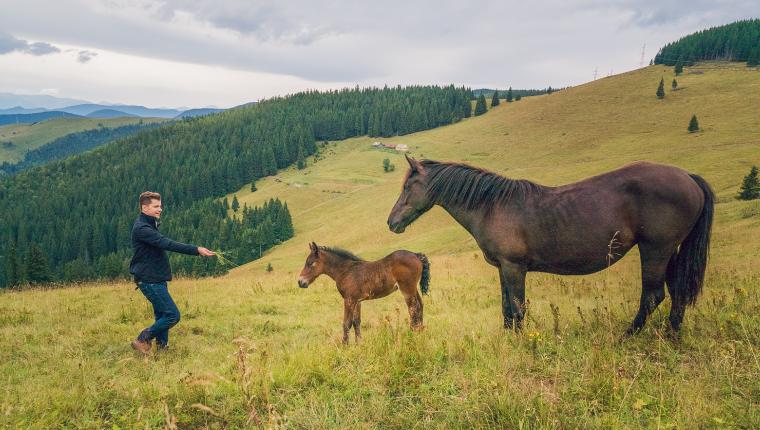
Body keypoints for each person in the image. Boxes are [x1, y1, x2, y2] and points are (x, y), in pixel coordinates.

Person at [129, 191, 215, 354]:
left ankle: (163, 348)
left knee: (162, 315)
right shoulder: (142, 228)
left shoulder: (149, 223)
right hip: (150, 280)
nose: (160, 209)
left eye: (160, 206)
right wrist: (196, 250)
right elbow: (166, 243)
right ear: (144, 207)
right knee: (172, 315)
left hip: (156, 278)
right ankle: (142, 339)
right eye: (156, 206)